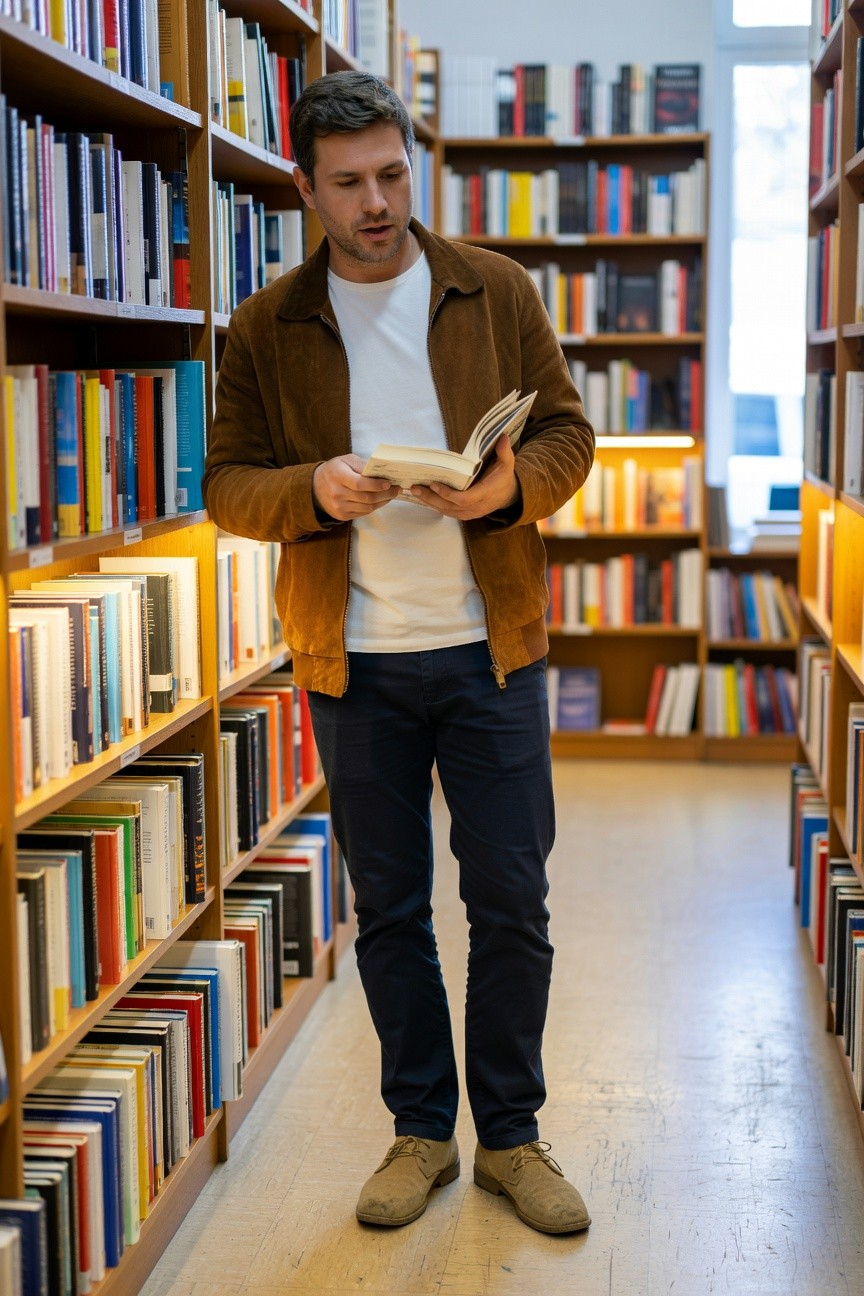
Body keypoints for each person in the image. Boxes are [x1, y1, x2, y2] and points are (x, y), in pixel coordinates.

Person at [203, 69, 595, 1236]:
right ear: (303, 188)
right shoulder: (269, 326)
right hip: (355, 662)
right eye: (348, 184)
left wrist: (507, 488)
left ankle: (512, 1141)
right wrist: (314, 490)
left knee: (513, 903)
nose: (376, 202)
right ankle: (422, 1132)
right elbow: (228, 483)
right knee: (390, 911)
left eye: (391, 173)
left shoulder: (495, 288)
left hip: (492, 652)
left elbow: (572, 433)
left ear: (410, 163)